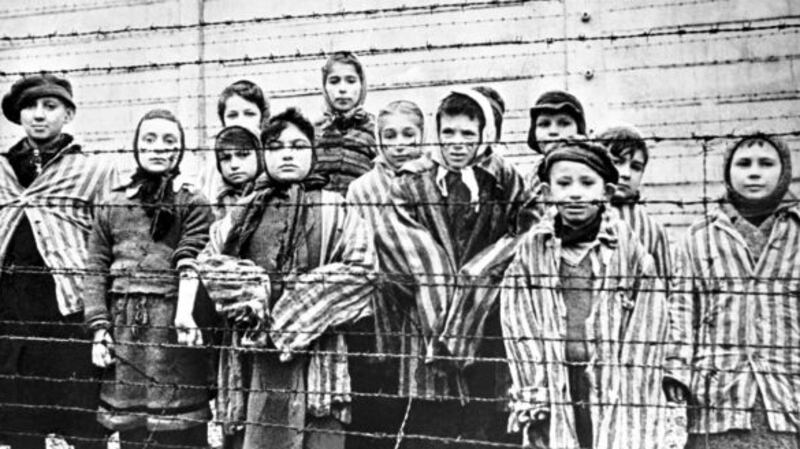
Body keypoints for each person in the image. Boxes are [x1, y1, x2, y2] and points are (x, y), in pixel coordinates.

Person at [198, 107, 376, 449]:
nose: (288, 154)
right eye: (277, 147)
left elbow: (363, 271)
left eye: (298, 145)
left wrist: (295, 311)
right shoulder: (242, 212)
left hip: (317, 357)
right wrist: (252, 294)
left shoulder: (335, 207)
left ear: (313, 152)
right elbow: (210, 263)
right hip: (251, 356)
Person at [374, 88, 534, 448]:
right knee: (430, 426)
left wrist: (480, 276)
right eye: (448, 133)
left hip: (487, 324)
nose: (457, 144)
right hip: (426, 327)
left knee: (484, 424)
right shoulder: (412, 181)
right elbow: (398, 245)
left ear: (483, 136)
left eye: (467, 135)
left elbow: (527, 231)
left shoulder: (504, 179)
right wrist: (441, 290)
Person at [501, 139, 670, 449]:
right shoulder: (533, 251)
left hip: (613, 382)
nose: (575, 192)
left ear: (605, 192)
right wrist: (534, 393)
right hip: (556, 379)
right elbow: (519, 323)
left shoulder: (627, 251)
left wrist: (633, 391)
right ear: (548, 192)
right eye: (564, 184)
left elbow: (649, 324)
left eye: (587, 183)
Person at [84, 109, 214, 449]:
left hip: (173, 329)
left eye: (169, 141)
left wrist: (184, 314)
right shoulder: (113, 203)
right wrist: (100, 329)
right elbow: (96, 268)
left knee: (180, 430)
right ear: (136, 147)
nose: (158, 148)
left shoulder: (193, 201)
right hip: (126, 329)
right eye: (149, 140)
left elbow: (195, 256)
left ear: (181, 149)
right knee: (134, 432)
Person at [664, 132, 800, 448]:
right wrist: (678, 371)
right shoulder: (700, 237)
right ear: (728, 172)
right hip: (717, 398)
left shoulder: (796, 236)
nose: (754, 172)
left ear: (784, 172)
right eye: (744, 163)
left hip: (788, 395)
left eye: (766, 163)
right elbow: (682, 308)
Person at [0, 73, 110, 449]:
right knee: (21, 429)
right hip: (13, 322)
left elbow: (108, 240)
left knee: (83, 429)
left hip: (69, 320)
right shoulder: (4, 171)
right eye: (30, 106)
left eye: (50, 106)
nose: (39, 115)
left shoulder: (93, 171)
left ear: (69, 113)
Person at [344, 100, 426, 449]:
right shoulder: (362, 188)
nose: (400, 144)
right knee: (378, 400)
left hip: (424, 307)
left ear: (424, 137)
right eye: (390, 135)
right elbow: (356, 248)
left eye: (409, 134)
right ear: (378, 140)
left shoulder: (433, 182)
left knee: (418, 405)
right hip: (377, 304)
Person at [599, 125, 671, 277]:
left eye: (635, 167)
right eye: (617, 162)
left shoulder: (653, 229)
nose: (625, 174)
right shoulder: (576, 211)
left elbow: (663, 288)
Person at [315, 51, 377, 194]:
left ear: (361, 85)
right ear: (325, 87)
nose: (342, 89)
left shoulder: (375, 131)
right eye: (334, 81)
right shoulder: (313, 132)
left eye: (351, 80)